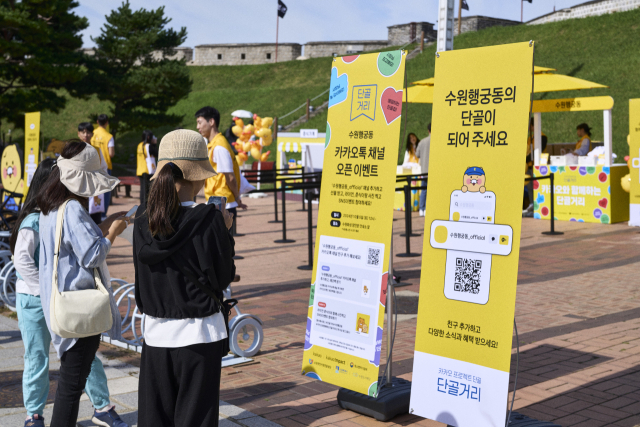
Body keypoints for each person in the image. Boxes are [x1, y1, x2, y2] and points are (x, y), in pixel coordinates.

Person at [11, 158, 129, 427]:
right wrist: (43, 290)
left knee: (77, 356)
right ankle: (34, 415)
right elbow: (22, 261)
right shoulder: (36, 218)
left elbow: (78, 242)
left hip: (58, 296)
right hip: (35, 299)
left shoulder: (59, 211)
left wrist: (105, 225)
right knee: (39, 356)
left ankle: (102, 405)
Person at [133, 129, 235, 427]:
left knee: (155, 418)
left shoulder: (142, 218)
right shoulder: (210, 220)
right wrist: (225, 233)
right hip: (201, 335)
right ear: (198, 176)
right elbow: (223, 277)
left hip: (155, 334)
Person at [195, 107, 247, 220]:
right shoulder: (216, 144)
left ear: (211, 122)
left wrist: (237, 197)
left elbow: (230, 177)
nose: (197, 127)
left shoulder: (219, 147)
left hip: (222, 204)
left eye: (199, 122)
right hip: (218, 201)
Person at [78, 122, 110, 224]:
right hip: (80, 189)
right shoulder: (74, 149)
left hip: (95, 189)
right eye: (83, 132)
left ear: (92, 134)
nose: (85, 135)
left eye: (88, 132)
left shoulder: (97, 150)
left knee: (96, 220)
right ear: (78, 134)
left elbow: (104, 167)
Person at [91, 114, 115, 215]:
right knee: (105, 192)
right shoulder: (109, 136)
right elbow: (111, 153)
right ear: (107, 122)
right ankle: (103, 214)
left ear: (97, 122)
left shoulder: (91, 133)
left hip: (93, 165)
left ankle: (94, 211)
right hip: (105, 166)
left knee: (95, 190)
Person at [524, 118, 548, 212]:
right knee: (529, 186)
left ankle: (539, 206)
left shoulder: (542, 137)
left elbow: (537, 151)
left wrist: (526, 158)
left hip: (538, 166)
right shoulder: (530, 138)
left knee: (537, 186)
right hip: (529, 166)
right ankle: (531, 204)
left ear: (533, 126)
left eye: (529, 125)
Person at [136, 130, 157, 205]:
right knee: (147, 189)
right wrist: (154, 144)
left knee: (142, 189)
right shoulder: (148, 146)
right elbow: (156, 153)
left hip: (140, 170)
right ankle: (146, 205)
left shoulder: (139, 145)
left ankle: (142, 204)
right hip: (147, 170)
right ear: (148, 137)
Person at [415, 124, 431, 217]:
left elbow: (417, 155)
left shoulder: (422, 142)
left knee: (424, 190)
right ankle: (428, 208)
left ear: (428, 130)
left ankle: (422, 209)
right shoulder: (438, 141)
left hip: (424, 170)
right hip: (434, 171)